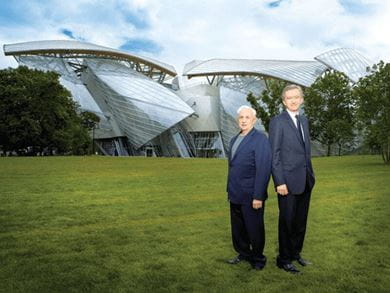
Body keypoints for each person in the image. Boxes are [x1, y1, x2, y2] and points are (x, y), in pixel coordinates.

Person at [268, 84, 315, 274]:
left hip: (305, 179)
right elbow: (274, 154)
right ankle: (284, 260)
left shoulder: (304, 120)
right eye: (289, 98)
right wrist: (279, 181)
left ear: (302, 99)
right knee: (286, 221)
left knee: (300, 222)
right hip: (286, 182)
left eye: (297, 97)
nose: (294, 100)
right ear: (283, 101)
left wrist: (310, 175)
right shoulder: (277, 122)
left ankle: (296, 254)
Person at [226, 105, 272, 270]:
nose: (244, 120)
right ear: (237, 120)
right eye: (241, 118)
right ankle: (243, 253)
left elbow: (264, 168)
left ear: (254, 120)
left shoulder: (260, 139)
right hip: (235, 193)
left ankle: (258, 259)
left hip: (252, 194)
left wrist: (258, 196)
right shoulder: (233, 139)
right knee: (238, 229)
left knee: (254, 229)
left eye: (247, 117)